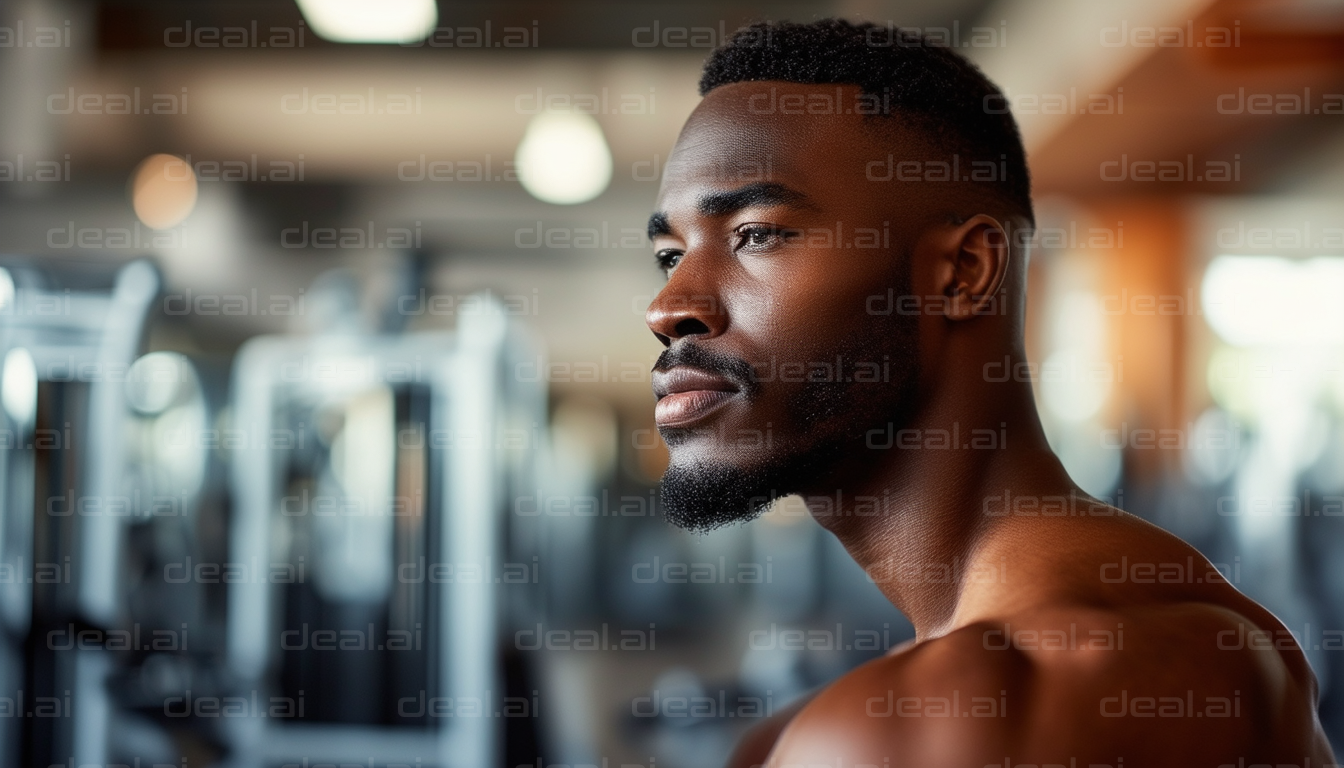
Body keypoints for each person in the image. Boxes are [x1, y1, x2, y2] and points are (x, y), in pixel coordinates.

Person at [642, 18, 1334, 768]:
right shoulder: (1151, 636)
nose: (669, 305)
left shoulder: (967, 713)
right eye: (671, 254)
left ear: (965, 271)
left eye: (756, 233)